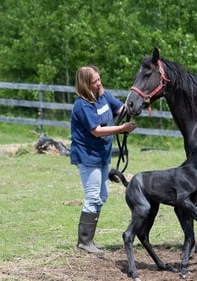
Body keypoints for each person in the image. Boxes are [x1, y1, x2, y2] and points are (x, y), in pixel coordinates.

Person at [70, 65, 136, 256]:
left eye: (99, 79)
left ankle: (89, 240)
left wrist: (137, 101)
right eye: (94, 82)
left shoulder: (102, 96)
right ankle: (84, 242)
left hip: (101, 155)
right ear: (85, 84)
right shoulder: (82, 105)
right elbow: (96, 131)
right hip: (87, 156)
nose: (98, 83)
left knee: (102, 196)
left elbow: (121, 109)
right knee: (93, 197)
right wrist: (122, 128)